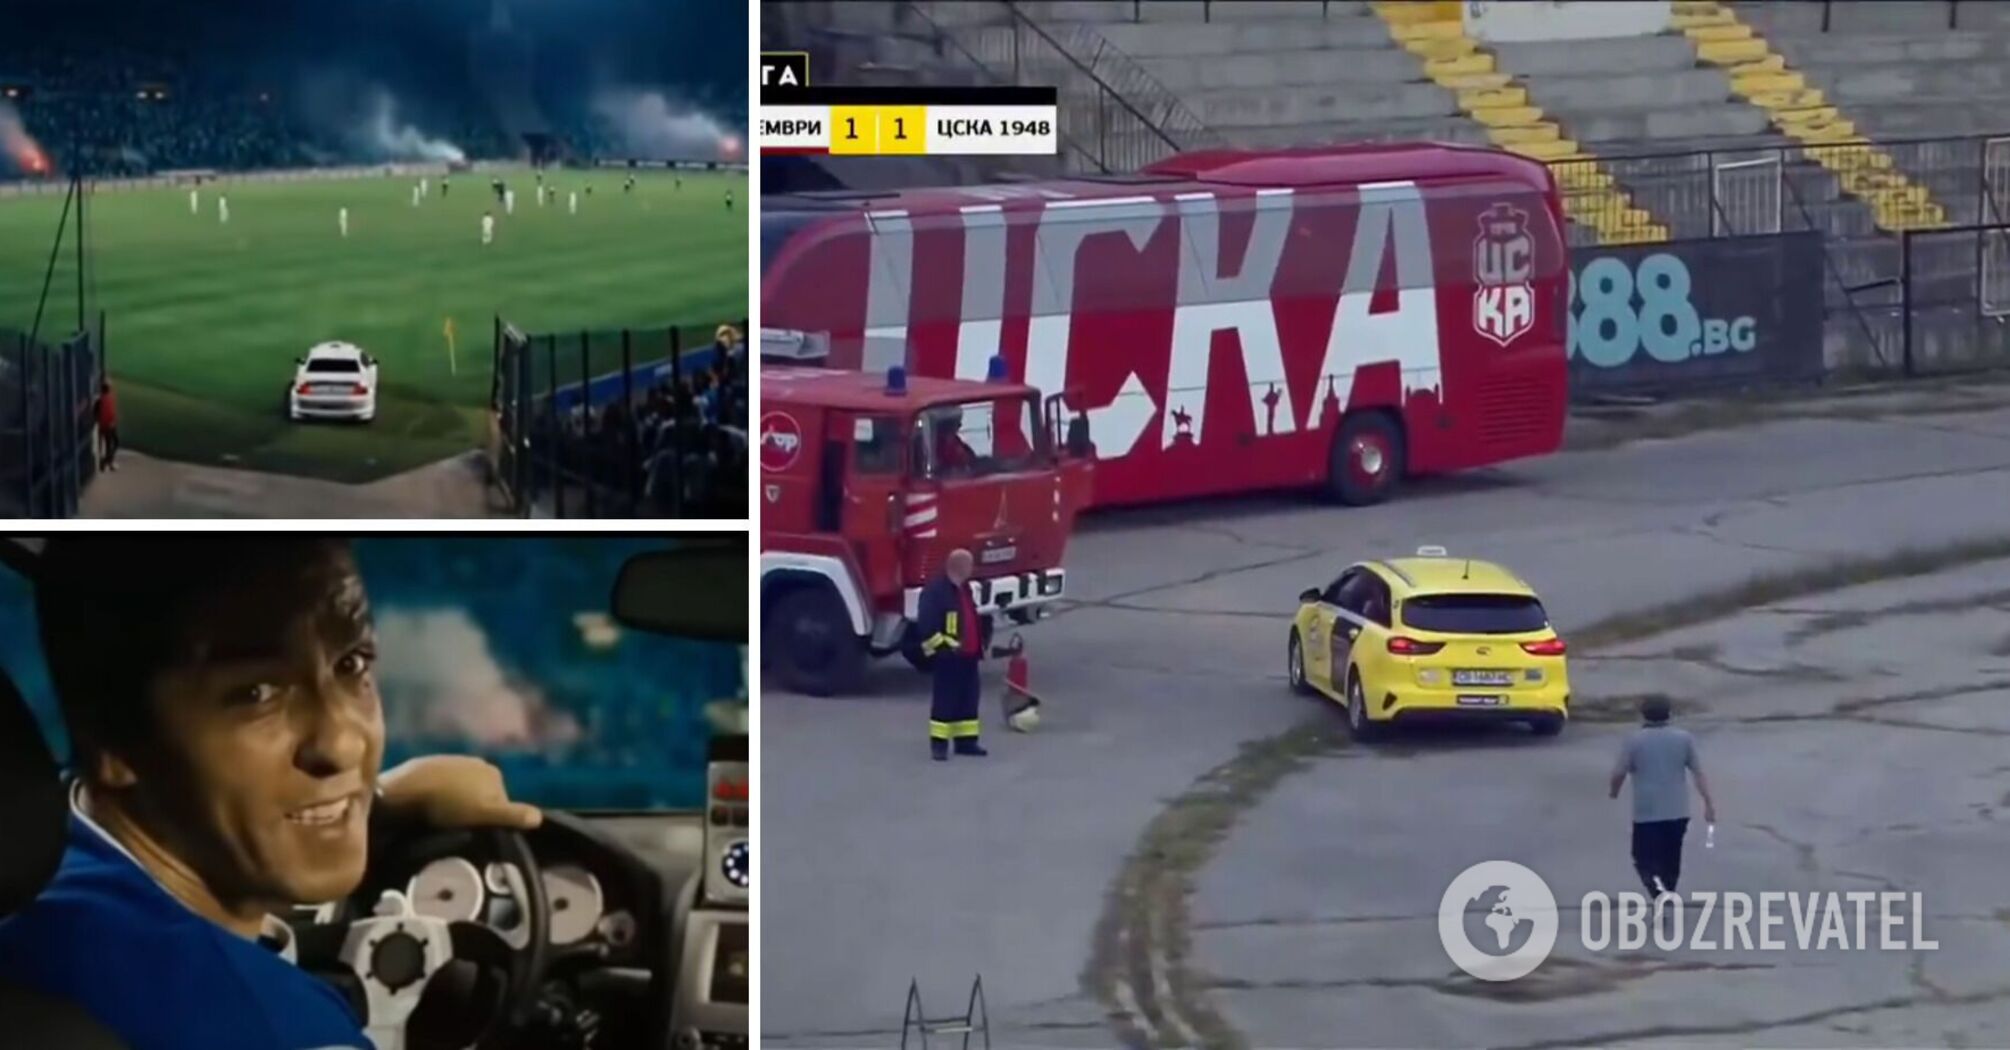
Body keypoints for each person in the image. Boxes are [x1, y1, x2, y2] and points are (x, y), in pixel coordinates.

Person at [0, 537, 540, 1050]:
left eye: (351, 664)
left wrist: (373, 798)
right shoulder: (274, 1027)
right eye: (256, 693)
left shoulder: (44, 863)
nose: (344, 744)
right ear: (114, 742)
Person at [1610, 695, 1716, 907]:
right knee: (1671, 857)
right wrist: (1708, 803)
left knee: (1643, 857)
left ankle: (1659, 894)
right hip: (1677, 810)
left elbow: (1619, 773)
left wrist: (1614, 791)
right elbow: (1698, 773)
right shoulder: (1683, 738)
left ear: (1643, 714)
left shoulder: (1634, 741)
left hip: (1646, 812)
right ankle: (1667, 892)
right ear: (1669, 713)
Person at [916, 549, 986, 761]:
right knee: (945, 701)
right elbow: (927, 626)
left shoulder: (963, 589)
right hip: (949, 658)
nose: (972, 570)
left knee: (968, 700)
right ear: (959, 567)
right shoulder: (935, 592)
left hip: (969, 656)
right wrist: (947, 648)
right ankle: (939, 745)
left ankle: (966, 742)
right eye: (970, 565)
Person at [94, 380, 119, 472]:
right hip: (109, 426)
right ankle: (106, 462)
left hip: (104, 426)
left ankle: (107, 462)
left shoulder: (100, 400)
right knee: (114, 443)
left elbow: (95, 413)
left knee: (109, 445)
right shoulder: (109, 398)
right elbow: (111, 413)